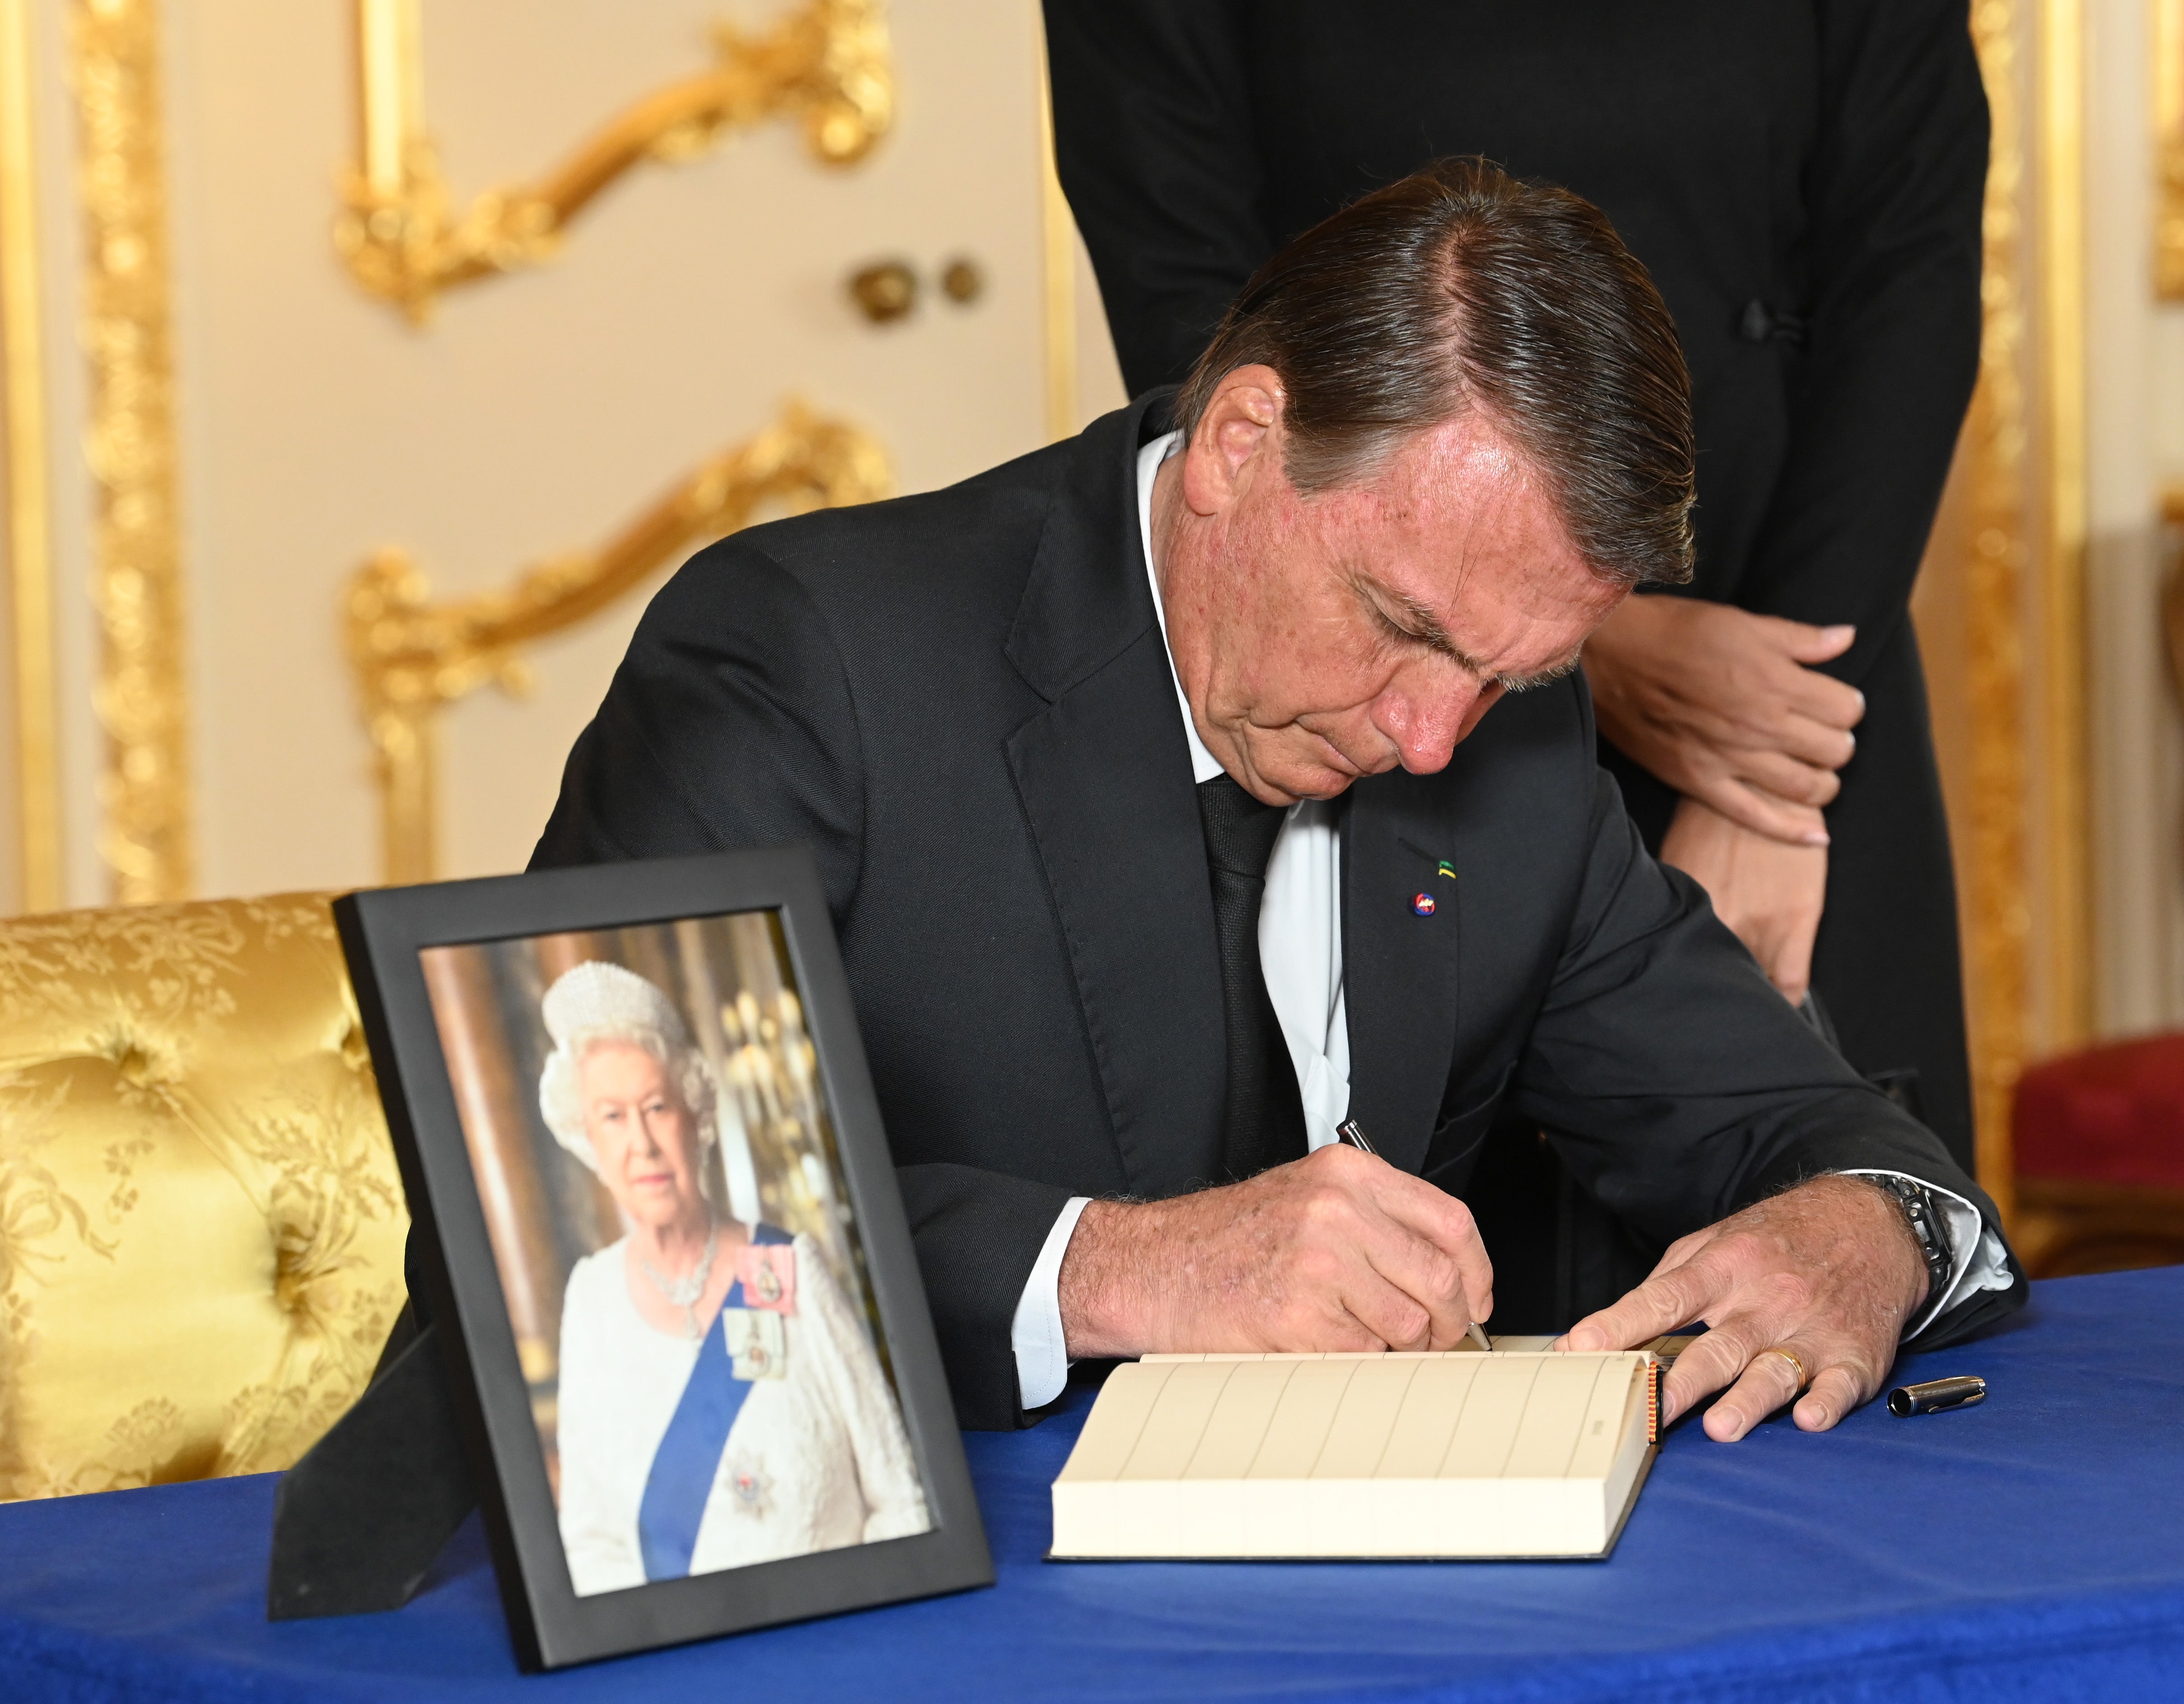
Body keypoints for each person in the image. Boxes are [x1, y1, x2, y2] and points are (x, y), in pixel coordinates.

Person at [532, 164, 2024, 1442]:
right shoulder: (807, 660)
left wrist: (1861, 1232)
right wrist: (1109, 1268)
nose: (1435, 737)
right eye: (1406, 626)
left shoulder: (1502, 741)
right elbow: (582, 1219)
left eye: (1508, 676)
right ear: (1241, 446)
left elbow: (1801, 1124)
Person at [1041, 2, 1984, 1187]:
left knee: (1843, 1227)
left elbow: (1911, 273)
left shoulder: (1782, 719)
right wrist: (1561, 634)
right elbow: (1199, 309)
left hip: (1792, 660)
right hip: (1373, 661)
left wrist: (1770, 771)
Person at [539, 960, 928, 1596]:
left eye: (657, 1106)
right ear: (590, 1145)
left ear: (696, 1117)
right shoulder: (591, 1299)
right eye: (612, 1116)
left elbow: (905, 1500)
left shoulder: (787, 1266)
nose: (642, 1142)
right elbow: (591, 1545)